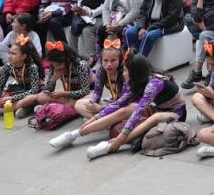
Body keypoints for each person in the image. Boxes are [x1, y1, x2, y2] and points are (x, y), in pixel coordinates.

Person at [49, 53, 187, 159]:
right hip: (158, 108)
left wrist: (120, 138)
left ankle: (111, 146)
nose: (123, 73)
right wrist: (87, 124)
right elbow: (117, 104)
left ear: (135, 73)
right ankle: (73, 135)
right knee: (125, 109)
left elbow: (138, 112)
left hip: (176, 113)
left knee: (152, 116)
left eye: (126, 70)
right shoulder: (137, 82)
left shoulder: (153, 84)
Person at [0, 35, 44, 118]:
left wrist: (12, 98)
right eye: (9, 53)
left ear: (23, 56)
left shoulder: (32, 67)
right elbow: (0, 86)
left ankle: (0, 111)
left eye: (13, 54)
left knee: (31, 98)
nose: (9, 56)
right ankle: (20, 108)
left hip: (30, 92)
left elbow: (34, 90)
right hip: (18, 89)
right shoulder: (8, 66)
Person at [74, 38, 127, 118]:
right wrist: (93, 104)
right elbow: (97, 93)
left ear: (120, 60)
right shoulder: (101, 71)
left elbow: (125, 101)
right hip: (112, 102)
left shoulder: (125, 73)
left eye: (113, 60)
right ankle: (101, 121)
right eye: (105, 60)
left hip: (125, 105)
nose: (109, 64)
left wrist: (100, 108)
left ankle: (101, 121)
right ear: (101, 60)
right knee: (78, 105)